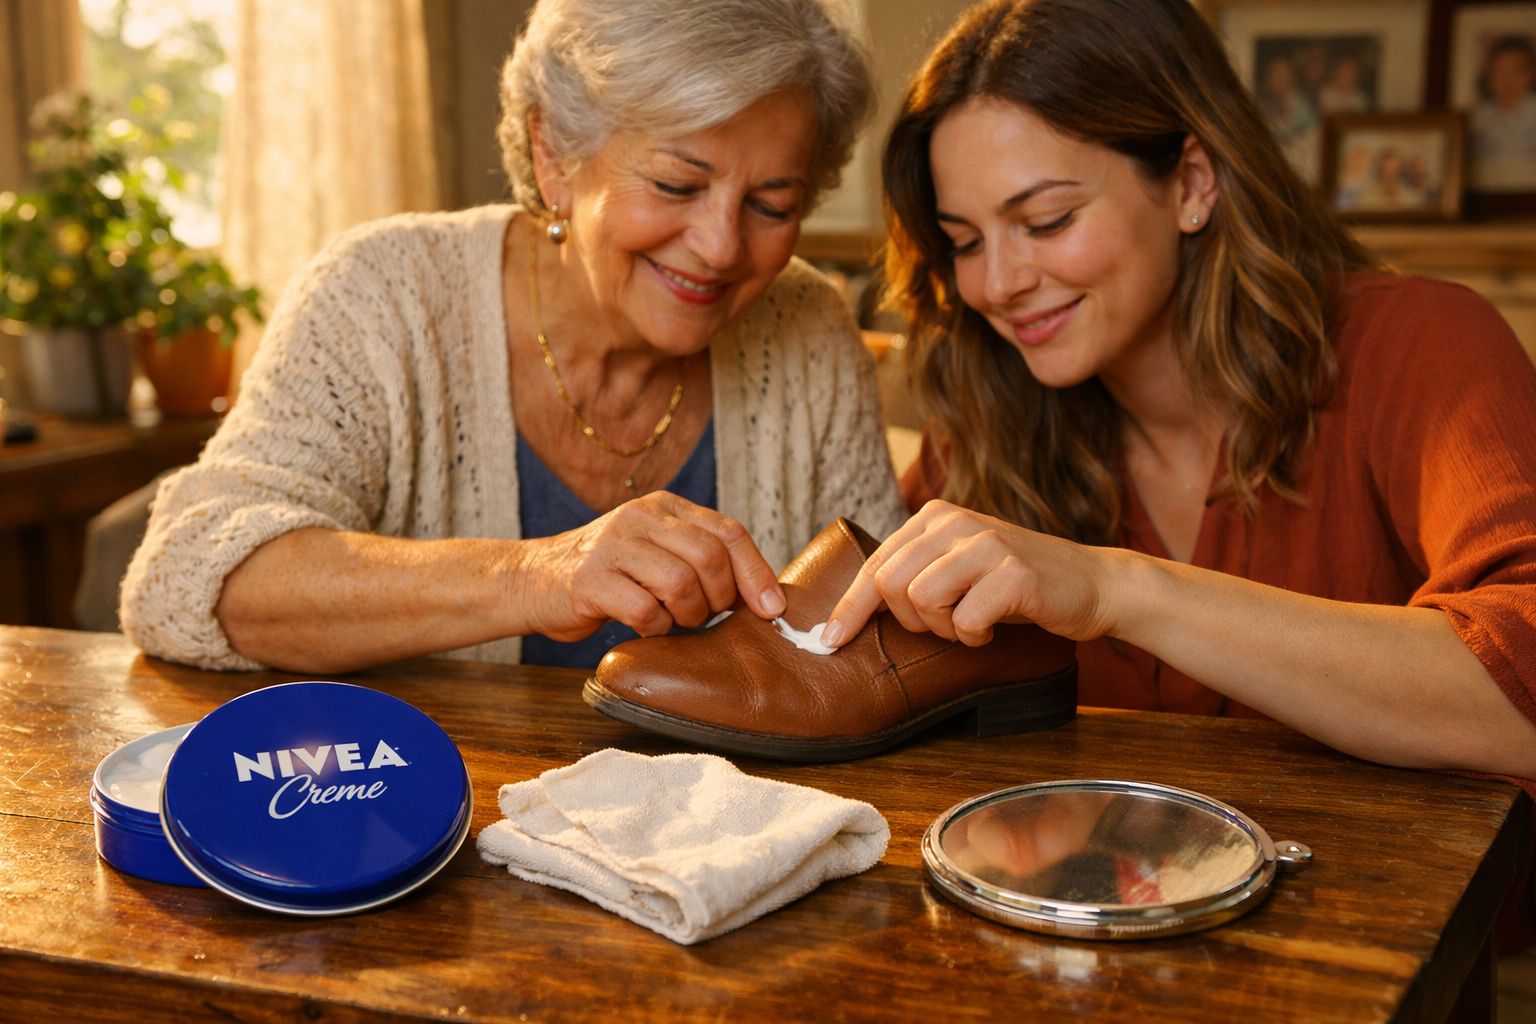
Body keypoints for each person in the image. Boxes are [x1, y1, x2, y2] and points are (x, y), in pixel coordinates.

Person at [823, 0, 1536, 939]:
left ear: (1192, 182)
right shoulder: (992, 421)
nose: (997, 283)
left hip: (1394, 958)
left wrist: (1119, 587)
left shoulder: (1425, 347)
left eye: (1047, 218)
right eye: (963, 241)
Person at [120, 0, 904, 674]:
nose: (722, 246)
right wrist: (534, 575)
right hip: (426, 831)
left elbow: (876, 638)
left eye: (772, 204)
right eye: (676, 184)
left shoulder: (809, 326)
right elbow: (188, 573)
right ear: (554, 155)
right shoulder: (382, 293)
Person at [1470, 34, 1536, 189]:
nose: (1508, 79)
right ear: (1488, 77)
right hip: (1491, 188)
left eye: (1517, 71)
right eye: (1499, 71)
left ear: (1532, 74)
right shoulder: (1478, 117)